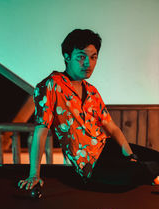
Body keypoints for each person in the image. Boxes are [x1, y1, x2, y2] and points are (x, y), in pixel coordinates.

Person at [18, 29, 158, 190]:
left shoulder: (91, 90)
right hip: (89, 165)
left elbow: (112, 128)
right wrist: (34, 174)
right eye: (81, 57)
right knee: (136, 174)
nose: (88, 63)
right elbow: (41, 132)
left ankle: (141, 169)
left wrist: (130, 155)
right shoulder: (49, 86)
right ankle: (143, 171)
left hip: (107, 147)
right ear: (67, 57)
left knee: (155, 160)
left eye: (93, 57)